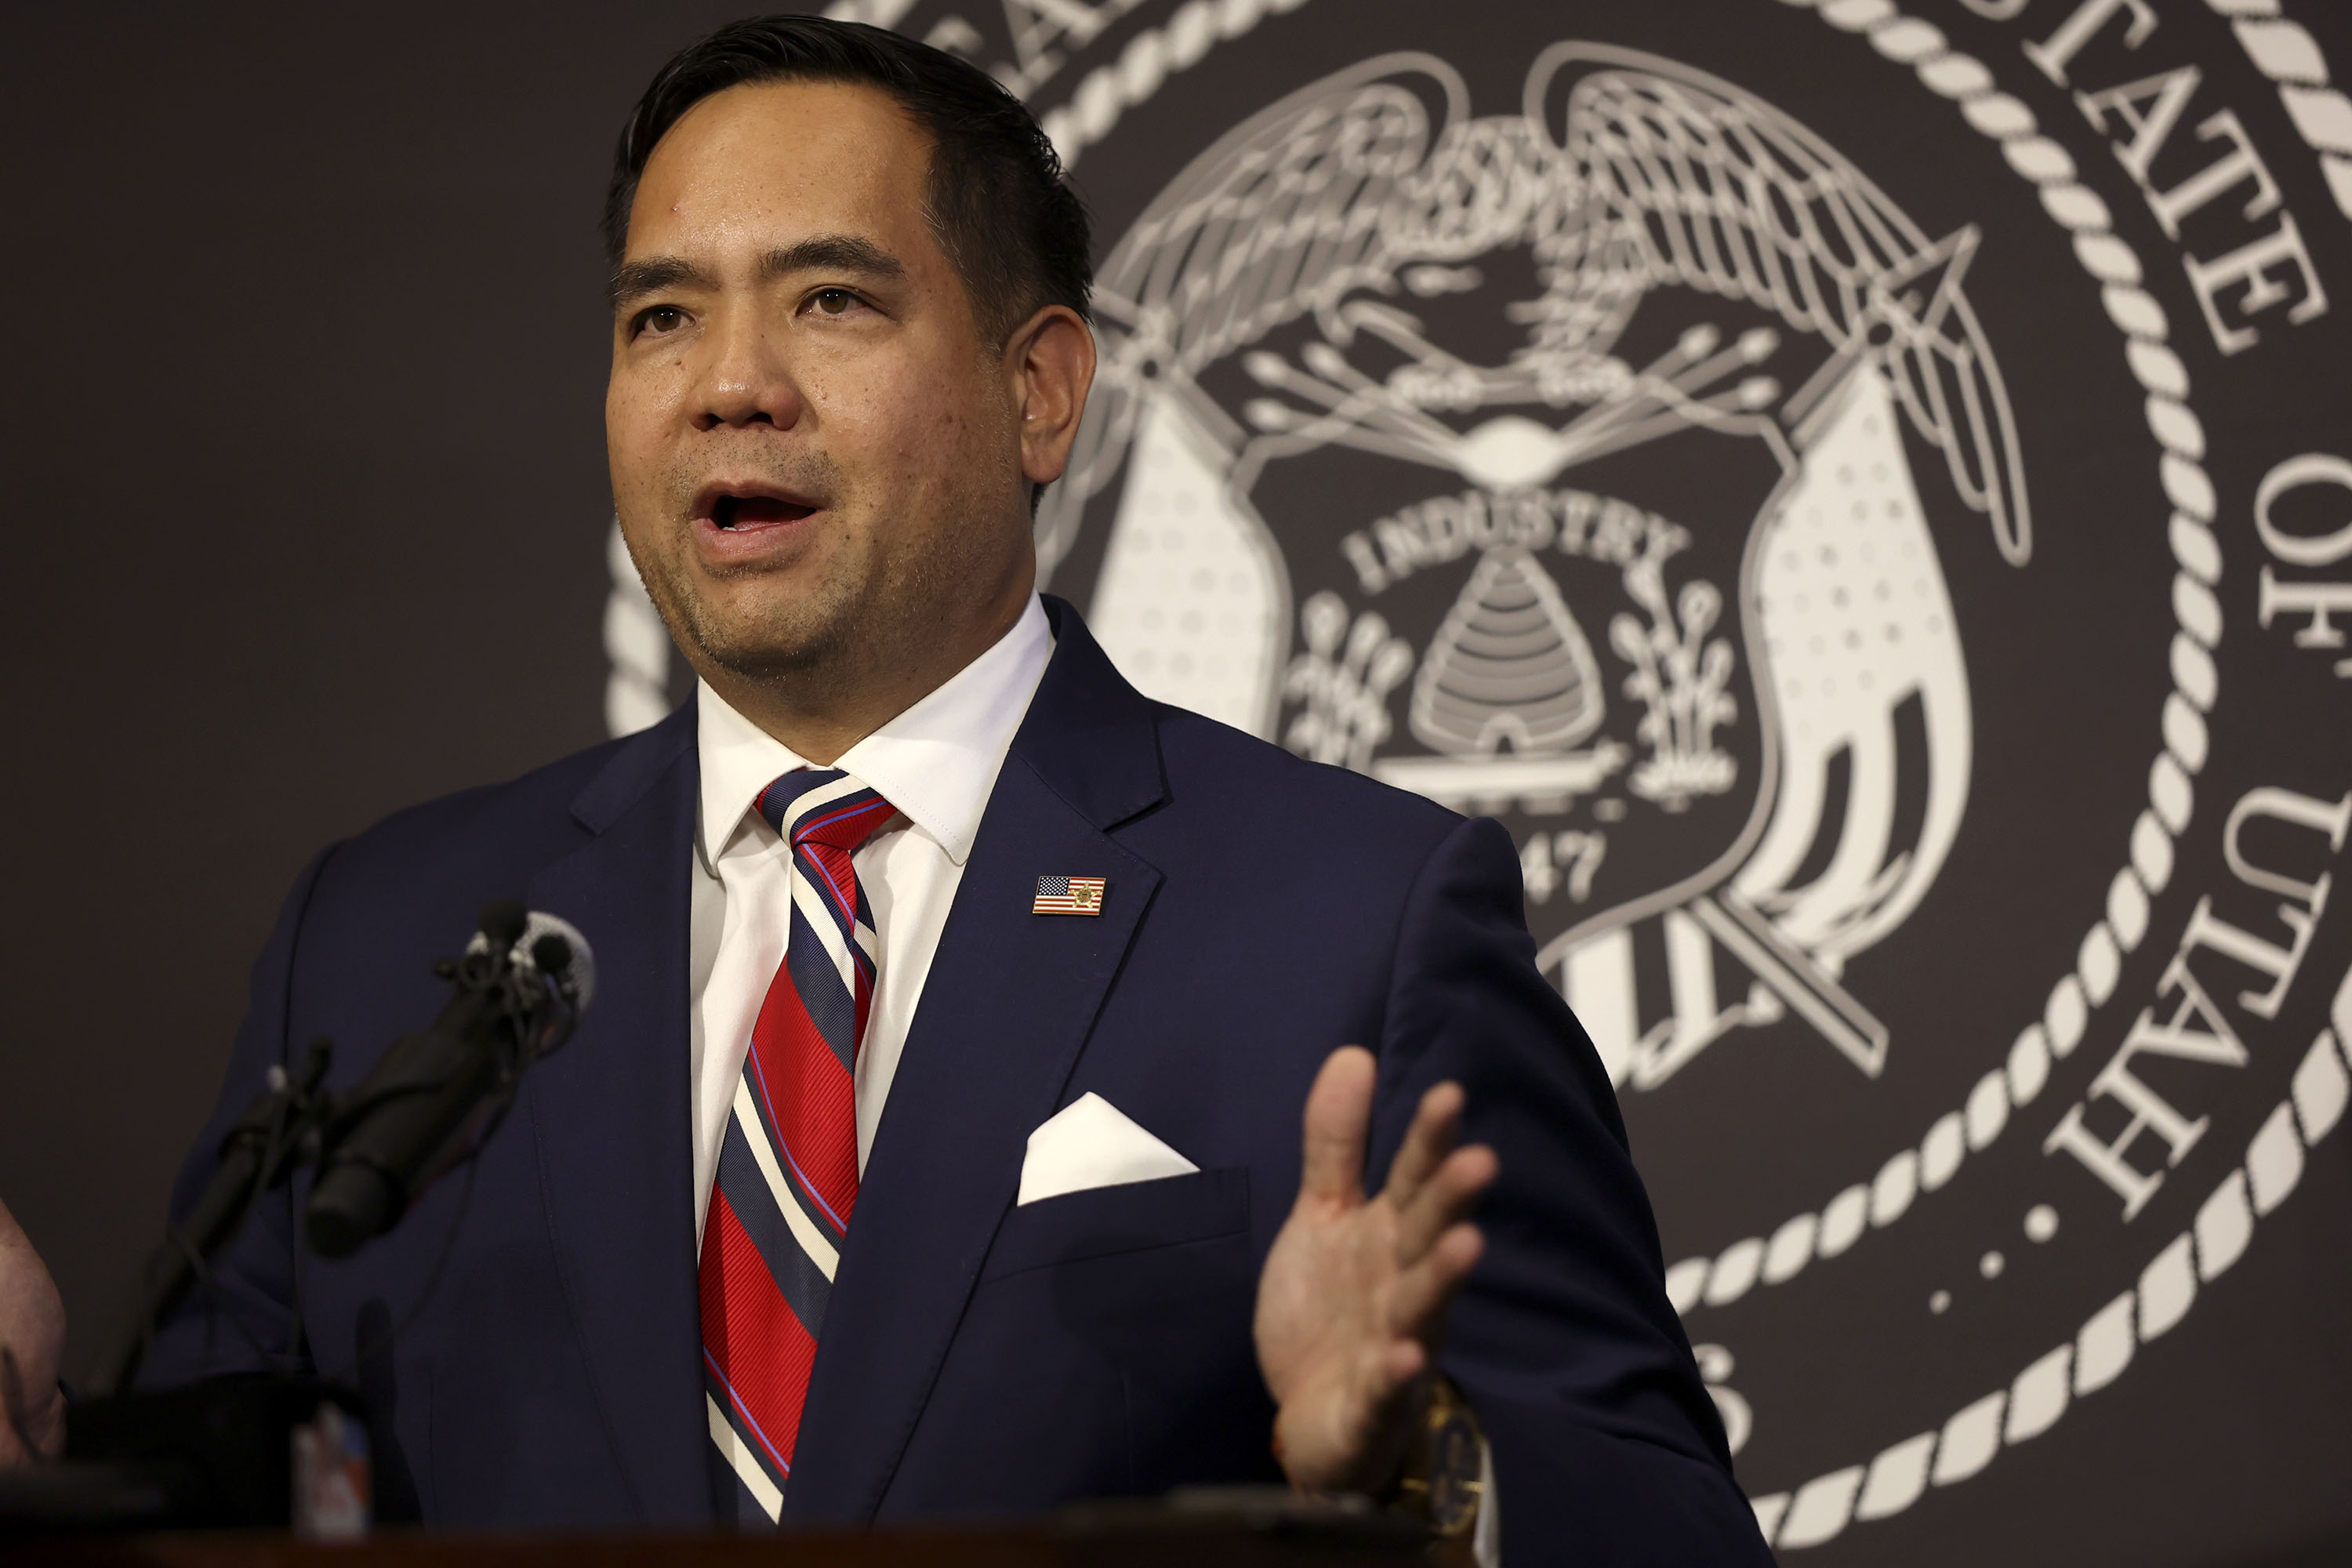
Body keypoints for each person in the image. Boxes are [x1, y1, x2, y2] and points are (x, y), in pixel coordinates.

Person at [0, 18, 1769, 1561]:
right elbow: (224, 1492)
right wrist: (41, 1448)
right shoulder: (386, 939)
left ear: (1041, 393)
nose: (729, 385)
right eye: (661, 316)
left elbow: (1666, 1522)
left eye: (831, 301)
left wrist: (1417, 1474)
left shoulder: (1351, 926)